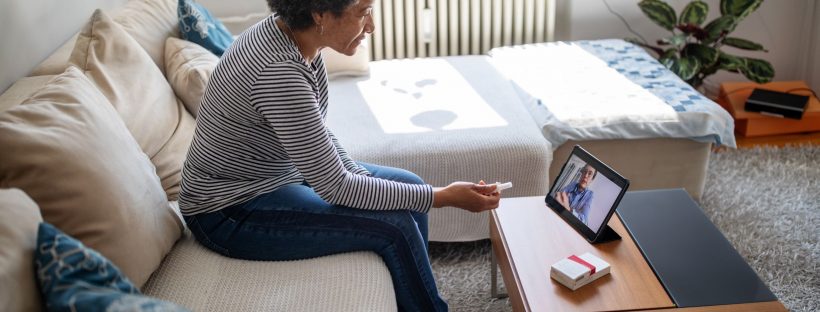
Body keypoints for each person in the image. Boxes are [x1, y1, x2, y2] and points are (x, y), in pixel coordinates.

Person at [177, 1, 500, 311]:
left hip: (277, 176)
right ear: (320, 14)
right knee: (396, 223)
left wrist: (359, 174)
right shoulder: (278, 71)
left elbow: (315, 134)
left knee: (409, 185)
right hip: (227, 211)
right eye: (363, 12)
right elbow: (337, 188)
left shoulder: (299, 42)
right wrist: (443, 196)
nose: (371, 26)